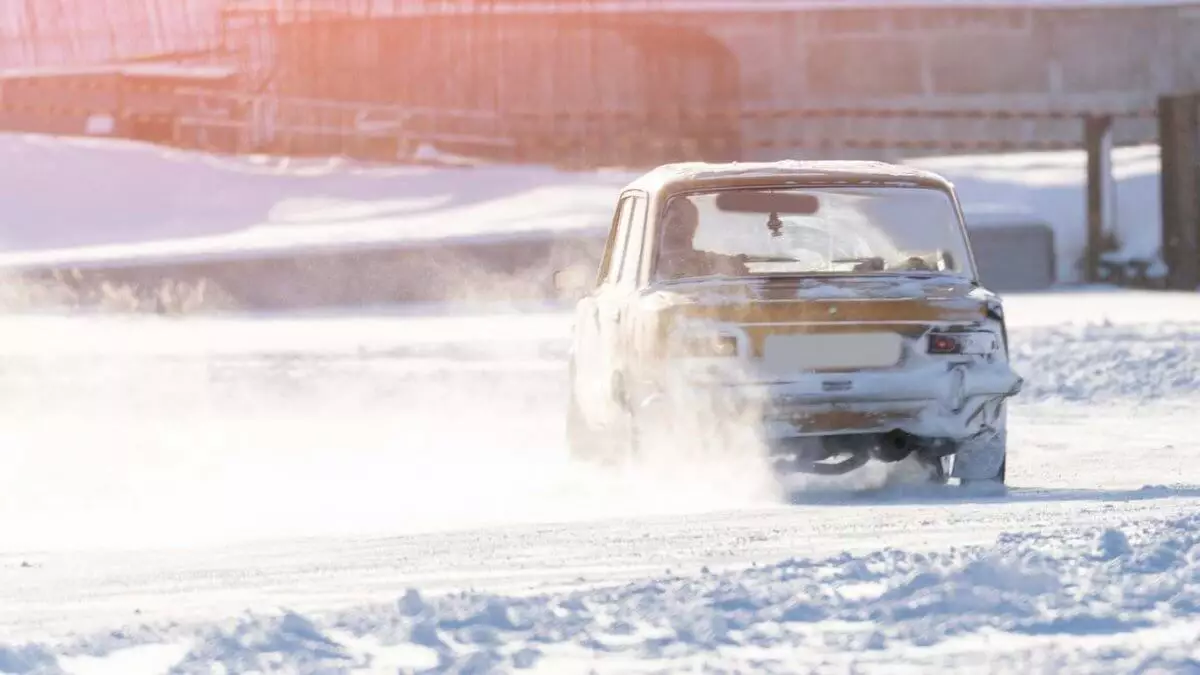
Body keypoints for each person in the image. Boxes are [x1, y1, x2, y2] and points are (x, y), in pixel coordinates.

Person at [656, 197, 748, 280]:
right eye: (665, 216)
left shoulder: (717, 265)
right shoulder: (647, 265)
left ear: (694, 225)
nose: (668, 224)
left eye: (677, 219)